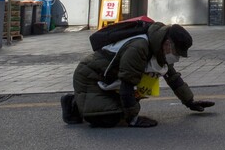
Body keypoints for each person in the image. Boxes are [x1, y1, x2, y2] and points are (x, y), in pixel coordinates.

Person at [61, 22, 214, 127]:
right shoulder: (139, 47)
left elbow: (173, 78)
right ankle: (73, 103)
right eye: (177, 52)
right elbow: (127, 83)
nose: (177, 57)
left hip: (108, 81)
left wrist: (190, 102)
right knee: (108, 118)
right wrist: (133, 119)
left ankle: (86, 102)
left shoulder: (159, 49)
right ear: (168, 44)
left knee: (127, 104)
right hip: (90, 78)